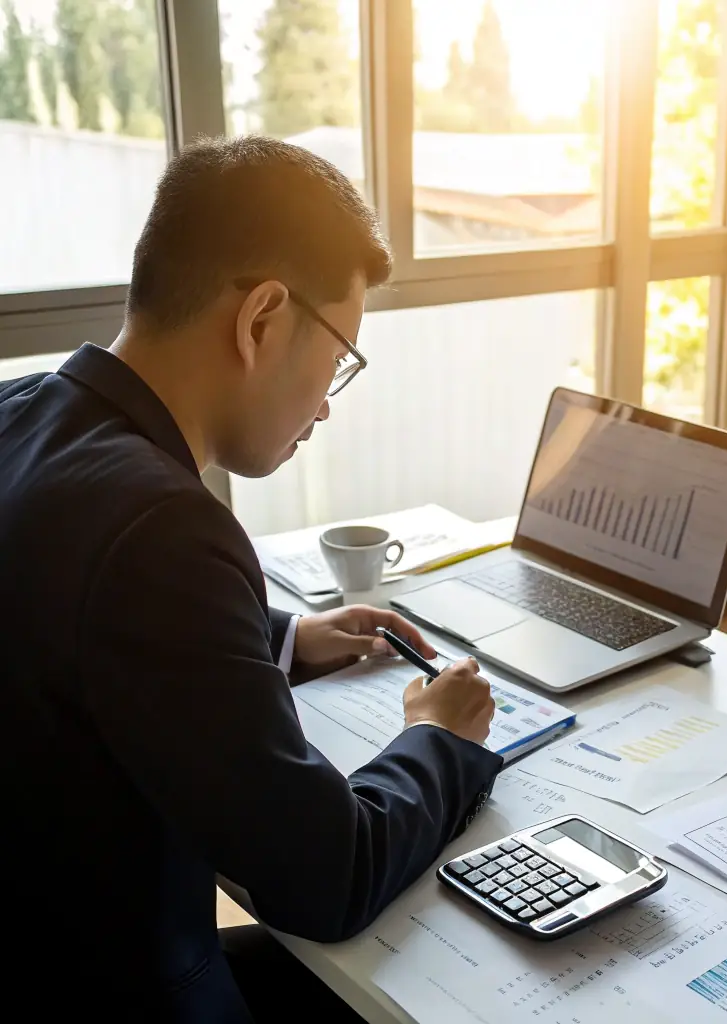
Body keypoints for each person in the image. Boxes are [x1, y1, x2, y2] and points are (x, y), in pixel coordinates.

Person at [0, 136, 500, 1022]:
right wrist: (441, 739)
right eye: (340, 354)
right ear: (262, 317)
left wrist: (280, 637)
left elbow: (73, 626)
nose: (328, 400)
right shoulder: (165, 530)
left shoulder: (25, 411)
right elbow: (327, 875)